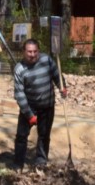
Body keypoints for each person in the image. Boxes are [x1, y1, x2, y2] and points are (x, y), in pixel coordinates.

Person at [12, 38, 67, 170]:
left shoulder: (46, 60)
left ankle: (41, 161)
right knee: (21, 136)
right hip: (29, 107)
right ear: (24, 52)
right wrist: (29, 115)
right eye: (29, 52)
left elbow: (56, 75)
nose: (32, 55)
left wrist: (62, 86)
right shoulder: (19, 69)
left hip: (47, 106)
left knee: (44, 135)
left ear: (39, 51)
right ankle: (18, 163)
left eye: (35, 51)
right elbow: (19, 95)